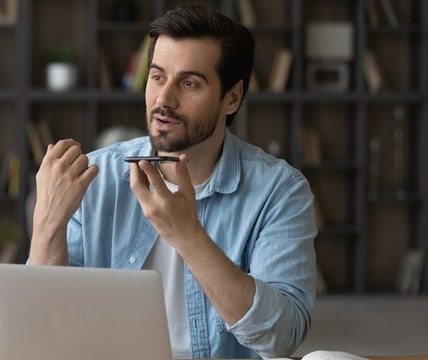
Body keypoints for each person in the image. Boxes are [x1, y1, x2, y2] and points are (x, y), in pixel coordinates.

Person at [27, 4, 317, 359]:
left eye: (190, 83)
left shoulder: (279, 192)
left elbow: (281, 337)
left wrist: (188, 236)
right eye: (157, 76)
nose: (164, 99)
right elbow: (38, 340)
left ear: (232, 98)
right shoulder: (94, 180)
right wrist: (46, 225)